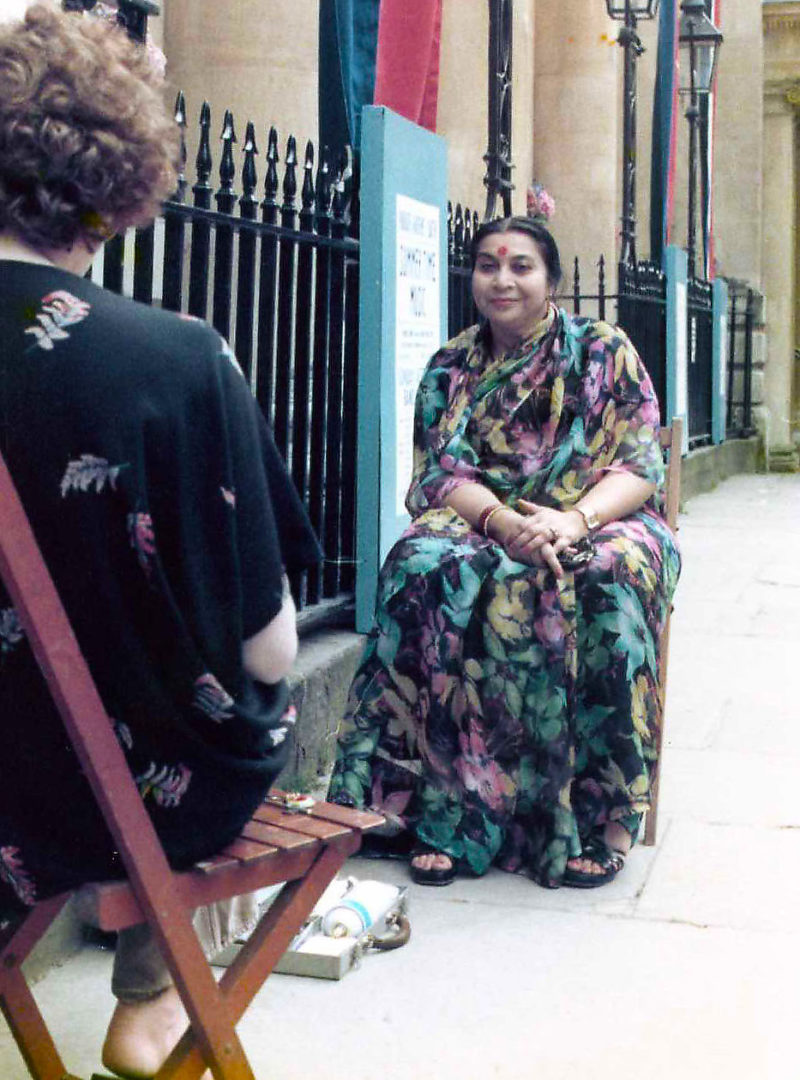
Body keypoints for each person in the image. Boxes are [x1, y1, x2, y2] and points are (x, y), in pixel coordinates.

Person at [0, 5, 320, 1077]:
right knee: (214, 695)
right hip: (94, 798)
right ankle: (149, 1007)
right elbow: (270, 651)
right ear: (120, 183)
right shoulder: (174, 359)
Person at [329, 215, 680, 891]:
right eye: (488, 265)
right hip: (487, 519)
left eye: (522, 265)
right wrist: (499, 522)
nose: (503, 279)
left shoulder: (602, 349)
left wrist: (572, 521)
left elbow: (639, 465)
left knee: (605, 577)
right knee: (424, 565)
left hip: (600, 514)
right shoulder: (450, 367)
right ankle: (437, 808)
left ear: (551, 279)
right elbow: (439, 476)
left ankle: (602, 815)